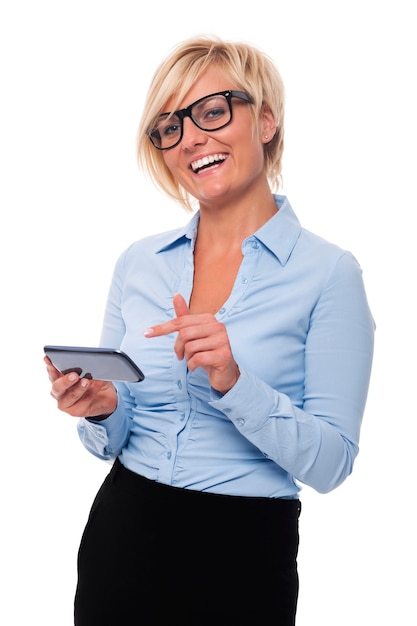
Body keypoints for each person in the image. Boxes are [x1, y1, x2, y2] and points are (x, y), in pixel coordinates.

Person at [45, 35, 375, 626]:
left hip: (243, 553)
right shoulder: (138, 263)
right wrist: (100, 408)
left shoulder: (330, 273)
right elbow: (111, 442)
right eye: (169, 126)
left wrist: (234, 380)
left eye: (213, 110)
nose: (191, 137)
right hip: (124, 532)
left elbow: (332, 465)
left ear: (267, 121)